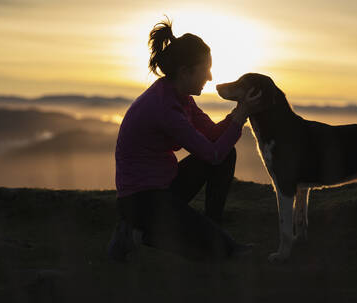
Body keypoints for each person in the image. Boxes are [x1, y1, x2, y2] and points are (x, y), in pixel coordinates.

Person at [107, 18, 261, 261]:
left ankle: (205, 233)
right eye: (205, 69)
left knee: (226, 154)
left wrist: (236, 114)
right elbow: (211, 154)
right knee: (205, 250)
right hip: (142, 200)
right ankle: (139, 232)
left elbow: (212, 135)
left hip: (165, 187)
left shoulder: (181, 97)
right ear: (185, 72)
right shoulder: (165, 108)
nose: (210, 77)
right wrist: (240, 118)